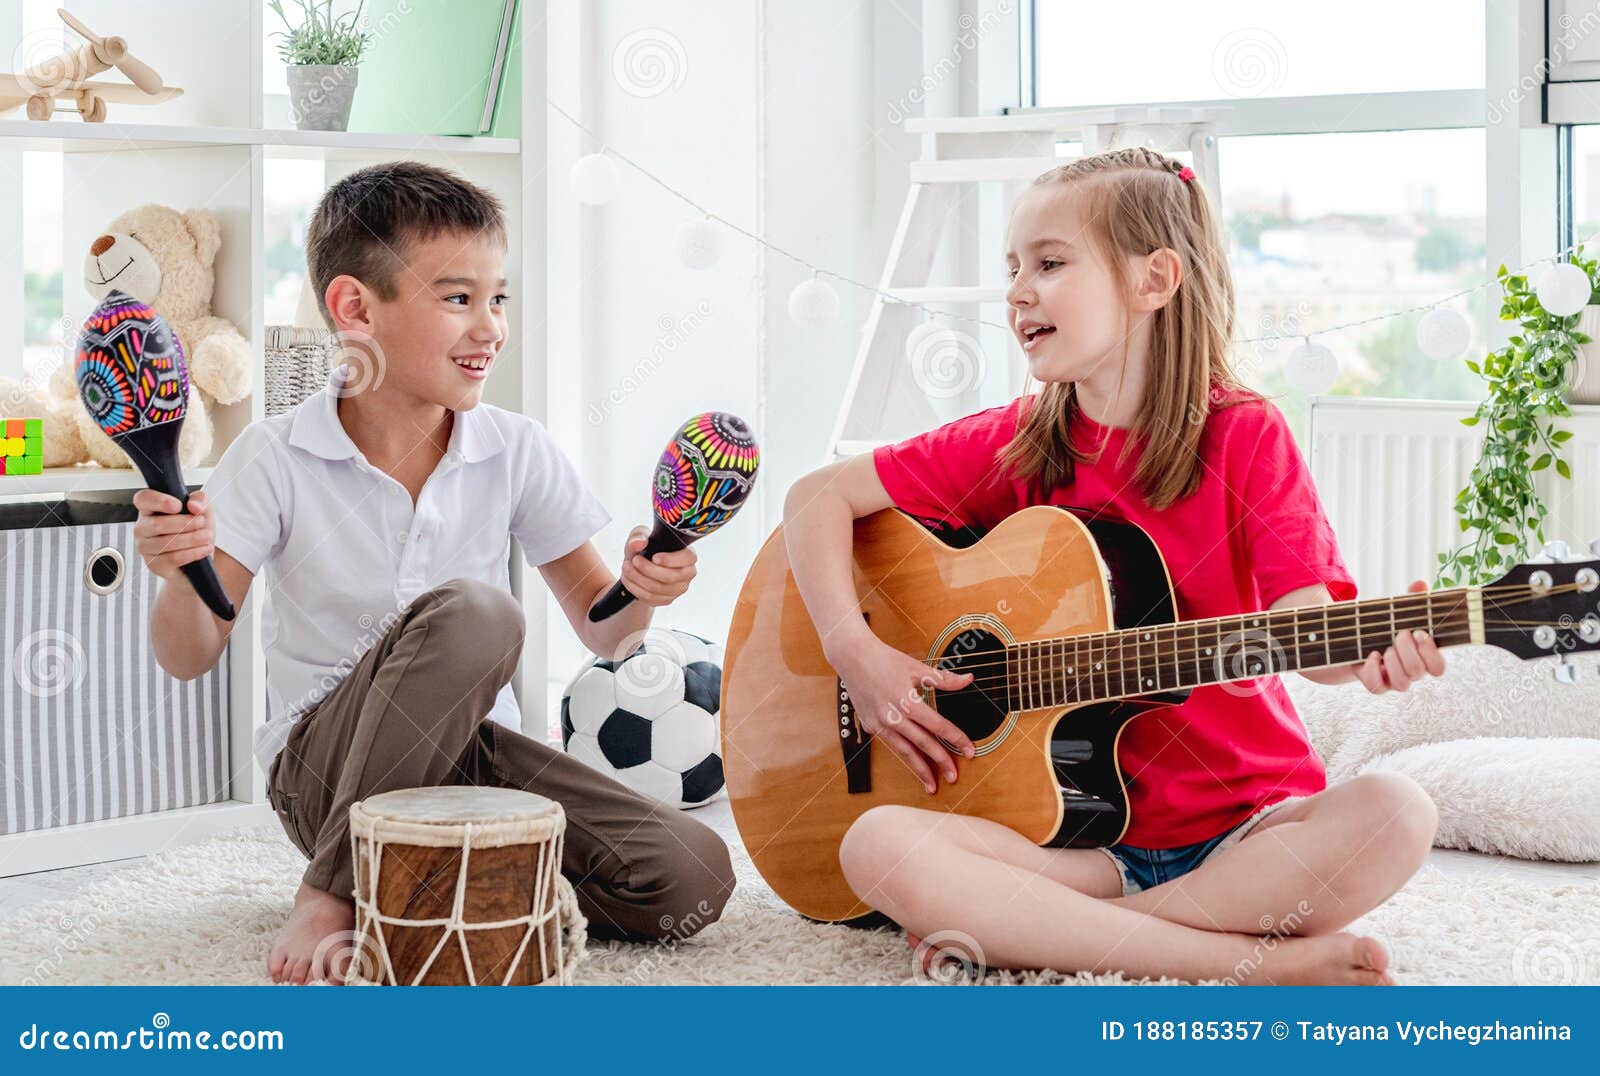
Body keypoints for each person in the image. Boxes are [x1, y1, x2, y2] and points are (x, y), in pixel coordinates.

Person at [781, 148, 1441, 985]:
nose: (1018, 290)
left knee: (1398, 813)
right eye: (1012, 268)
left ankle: (1074, 936)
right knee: (876, 845)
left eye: (1050, 264)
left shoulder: (1242, 433)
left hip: (1246, 831)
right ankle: (1241, 963)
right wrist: (858, 654)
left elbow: (1301, 622)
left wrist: (1370, 652)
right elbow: (814, 501)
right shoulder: (1017, 440)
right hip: (1079, 843)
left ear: (1155, 279)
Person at [134, 161, 734, 985]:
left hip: (478, 759)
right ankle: (335, 890)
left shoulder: (515, 447)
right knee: (480, 615)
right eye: (458, 299)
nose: (489, 327)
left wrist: (643, 590)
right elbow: (188, 653)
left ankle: (441, 875)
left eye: (499, 299)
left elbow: (608, 626)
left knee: (691, 877)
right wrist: (179, 575)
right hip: (326, 771)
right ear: (354, 308)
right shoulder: (273, 457)